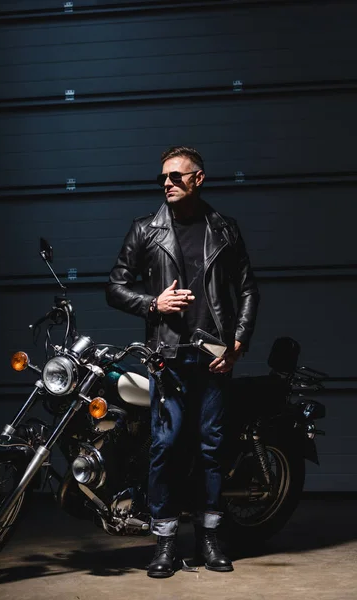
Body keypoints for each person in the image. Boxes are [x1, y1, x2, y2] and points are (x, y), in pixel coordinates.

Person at [106, 146, 259, 578]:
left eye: (176, 177)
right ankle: (166, 542)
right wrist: (152, 303)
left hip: (213, 357)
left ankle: (210, 535)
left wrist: (238, 343)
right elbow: (114, 288)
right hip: (167, 358)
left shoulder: (224, 230)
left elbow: (248, 290)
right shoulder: (145, 230)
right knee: (166, 447)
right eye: (163, 178)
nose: (167, 184)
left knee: (211, 448)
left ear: (198, 179)